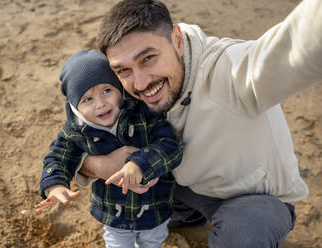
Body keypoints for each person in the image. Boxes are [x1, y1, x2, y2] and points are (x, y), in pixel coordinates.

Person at [75, 0, 322, 247]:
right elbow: (75, 136)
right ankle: (186, 216)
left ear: (178, 41)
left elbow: (299, 42)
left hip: (250, 200)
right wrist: (98, 165)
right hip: (184, 188)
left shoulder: (232, 70)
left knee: (244, 233)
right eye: (123, 70)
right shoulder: (125, 88)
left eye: (148, 58)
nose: (139, 83)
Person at [36, 49, 183, 248]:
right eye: (87, 99)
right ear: (75, 107)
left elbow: (170, 146)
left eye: (107, 91)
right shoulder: (76, 131)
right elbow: (58, 156)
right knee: (116, 244)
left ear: (119, 88)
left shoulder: (143, 113)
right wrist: (55, 185)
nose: (101, 104)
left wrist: (140, 164)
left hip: (155, 206)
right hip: (113, 212)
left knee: (152, 241)